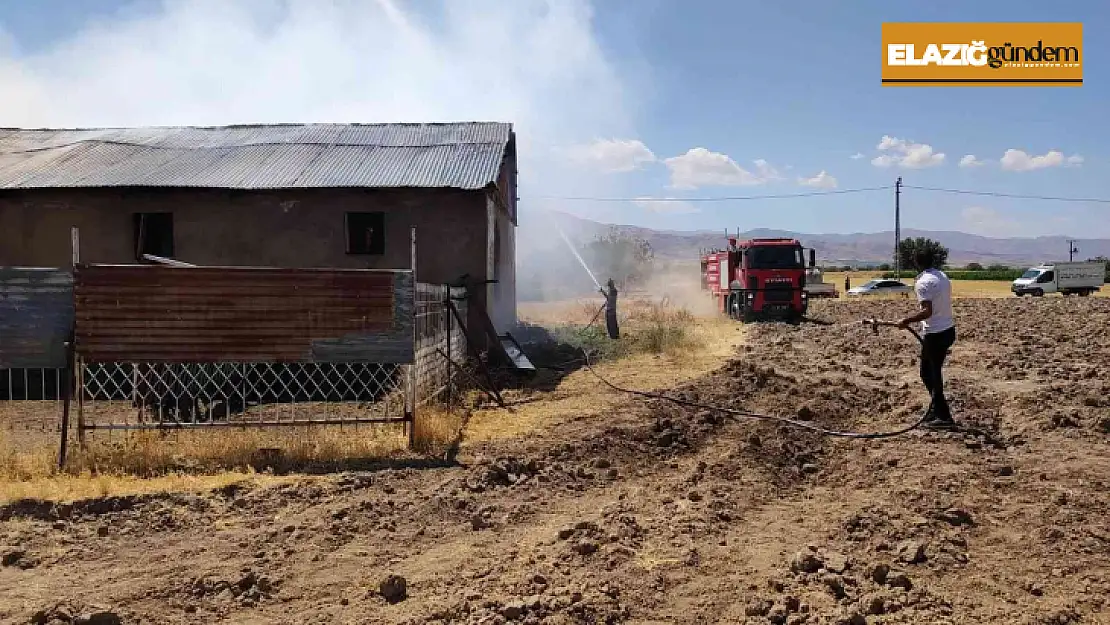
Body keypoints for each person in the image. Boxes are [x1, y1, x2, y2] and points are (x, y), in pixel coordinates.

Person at [898, 248, 956, 428]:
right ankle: (936, 410)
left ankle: (943, 416)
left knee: (929, 374)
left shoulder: (923, 282)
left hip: (936, 334)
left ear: (916, 262)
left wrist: (906, 320)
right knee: (932, 373)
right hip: (948, 330)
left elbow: (927, 311)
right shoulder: (942, 276)